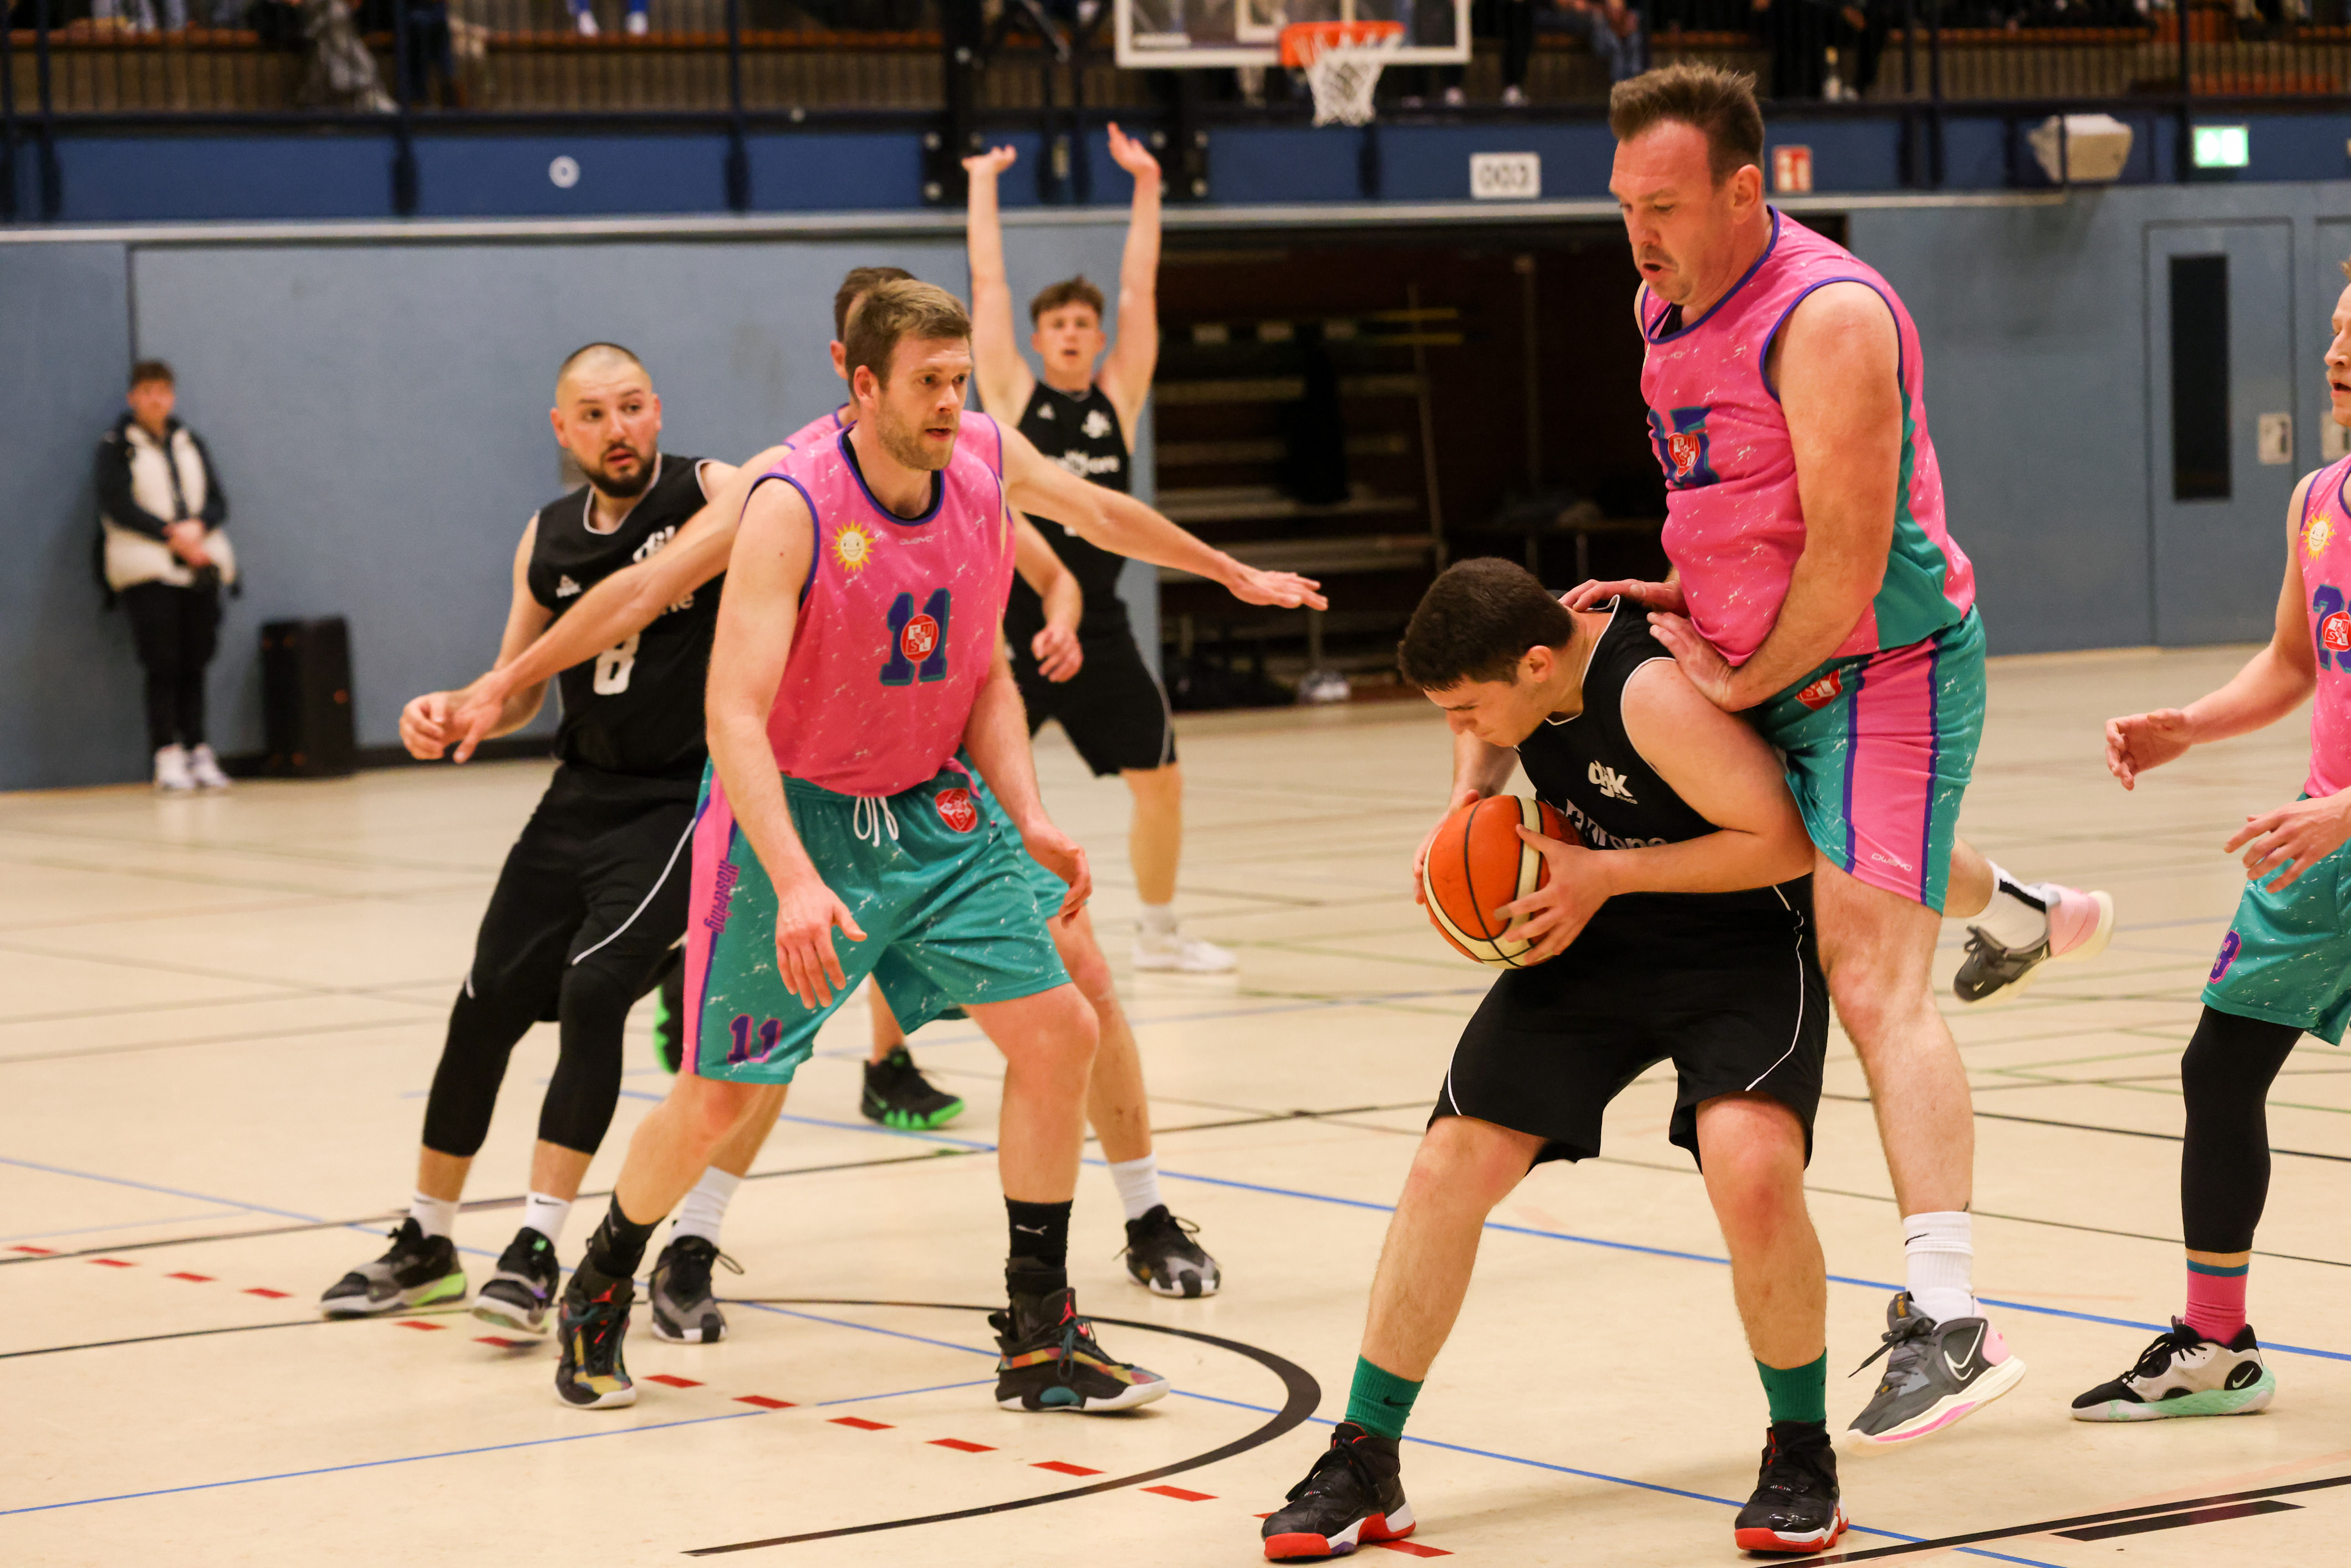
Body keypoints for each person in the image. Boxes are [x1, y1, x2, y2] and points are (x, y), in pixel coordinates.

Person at [523, 282, 1322, 1409]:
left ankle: (1038, 1332)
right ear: (861, 385)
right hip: (792, 822)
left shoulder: (982, 463)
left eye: (960, 380)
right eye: (928, 383)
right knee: (715, 1100)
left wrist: (1033, 808)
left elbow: (1000, 649)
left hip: (929, 808)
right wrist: (795, 882)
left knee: (1061, 1029)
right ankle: (600, 1282)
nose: (952, 402)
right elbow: (732, 714)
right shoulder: (791, 501)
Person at [1572, 64, 2112, 1443]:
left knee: (1868, 970)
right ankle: (2026, 910)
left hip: (1880, 664)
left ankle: (1949, 1316)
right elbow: (1731, 501)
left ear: (1744, 191)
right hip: (1769, 647)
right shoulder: (1656, 304)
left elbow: (1847, 557)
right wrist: (1677, 594)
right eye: (1623, 204)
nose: (1637, 233)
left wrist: (1734, 674)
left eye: (1663, 206)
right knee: (1855, 859)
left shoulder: (1826, 319)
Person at [1259, 560, 1843, 1559]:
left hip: (1739, 941)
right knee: (1446, 1166)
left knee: (1750, 1168)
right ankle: (1364, 1456)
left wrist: (1604, 873)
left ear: (1536, 665)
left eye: (1468, 706)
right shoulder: (1528, 670)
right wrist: (1464, 802)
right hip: (1592, 931)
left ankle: (1801, 1453)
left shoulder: (1647, 696)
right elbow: (1483, 736)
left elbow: (1786, 840)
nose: (1463, 724)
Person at [319, 344, 740, 1332]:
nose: (617, 429)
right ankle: (428, 1238)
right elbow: (516, 686)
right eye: (593, 414)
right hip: (577, 794)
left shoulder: (710, 492)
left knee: (594, 991)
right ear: (563, 429)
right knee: (484, 1001)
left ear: (657, 409)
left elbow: (778, 518)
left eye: (630, 407)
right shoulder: (546, 535)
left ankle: (539, 1245)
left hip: (681, 799)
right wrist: (458, 708)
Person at [2069, 262, 2351, 1424]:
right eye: (2333, 331)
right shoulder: (2317, 499)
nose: (2335, 353)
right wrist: (2187, 724)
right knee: (2218, 1065)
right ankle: (2215, 1343)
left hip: (2336, 822)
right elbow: (2292, 659)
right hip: (2316, 843)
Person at [965, 127, 1235, 975]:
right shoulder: (1011, 396)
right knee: (972, 797)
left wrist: (1148, 183)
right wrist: (982, 182)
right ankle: (971, 936)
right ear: (1039, 340)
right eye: (1059, 324)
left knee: (1161, 778)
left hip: (1101, 630)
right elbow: (988, 283)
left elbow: (1138, 287)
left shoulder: (1116, 401)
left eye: (1085, 323)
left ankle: (1157, 932)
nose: (1074, 333)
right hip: (1012, 630)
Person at [98, 360, 237, 794]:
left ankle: (198, 748)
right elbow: (117, 503)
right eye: (147, 391)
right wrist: (168, 534)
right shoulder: (117, 445)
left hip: (197, 562)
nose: (155, 399)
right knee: (162, 660)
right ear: (133, 398)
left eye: (162, 391)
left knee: (196, 659)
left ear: (172, 397)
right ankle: (166, 752)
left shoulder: (190, 442)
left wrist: (197, 528)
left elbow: (217, 500)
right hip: (148, 566)